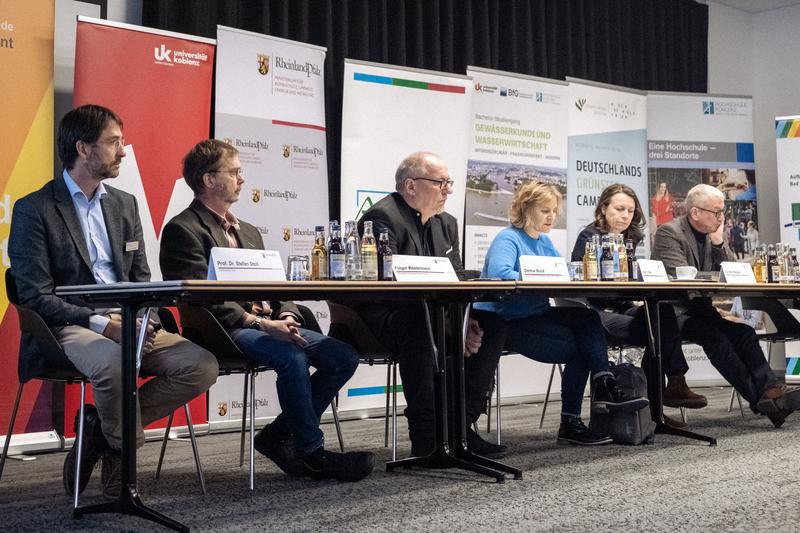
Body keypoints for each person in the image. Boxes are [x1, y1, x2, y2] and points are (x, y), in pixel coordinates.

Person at [8, 104, 219, 499]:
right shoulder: (34, 209)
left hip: (129, 319)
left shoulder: (123, 204)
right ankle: (123, 462)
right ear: (83, 148)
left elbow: (141, 279)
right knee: (114, 364)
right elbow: (35, 295)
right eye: (114, 142)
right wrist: (104, 325)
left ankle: (99, 433)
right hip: (71, 326)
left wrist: (147, 321)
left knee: (201, 365)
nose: (123, 151)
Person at [159, 139, 373, 482]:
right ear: (209, 179)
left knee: (343, 357)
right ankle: (313, 453)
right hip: (225, 329)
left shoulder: (250, 232)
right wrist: (259, 321)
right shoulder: (183, 229)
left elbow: (277, 285)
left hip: (269, 324)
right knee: (293, 357)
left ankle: (277, 436)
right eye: (234, 172)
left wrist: (286, 315)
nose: (241, 179)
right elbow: (199, 297)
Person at [356, 151, 507, 460]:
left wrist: (461, 321)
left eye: (448, 183)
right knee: (420, 327)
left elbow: (455, 278)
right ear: (411, 186)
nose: (448, 190)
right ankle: (426, 439)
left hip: (436, 313)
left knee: (495, 325)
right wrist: (450, 324)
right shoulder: (381, 218)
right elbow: (386, 284)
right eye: (441, 183)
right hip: (386, 314)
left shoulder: (447, 224)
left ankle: (460, 428)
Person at [476, 181, 648, 446]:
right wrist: (538, 278)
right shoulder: (507, 238)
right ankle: (571, 421)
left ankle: (602, 383)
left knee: (588, 318)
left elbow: (563, 274)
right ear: (525, 209)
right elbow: (501, 276)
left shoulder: (544, 241)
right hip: (506, 319)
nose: (551, 216)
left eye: (554, 211)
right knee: (584, 347)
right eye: (545, 210)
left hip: (537, 313)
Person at [652, 183, 800, 427]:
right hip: (673, 311)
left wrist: (720, 244)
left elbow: (734, 270)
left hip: (701, 309)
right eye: (717, 212)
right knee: (716, 338)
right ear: (695, 212)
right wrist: (712, 276)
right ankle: (764, 401)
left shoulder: (713, 236)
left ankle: (771, 389)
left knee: (743, 332)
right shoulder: (669, 233)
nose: (722, 218)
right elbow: (681, 277)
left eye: (722, 212)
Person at [571, 184, 707, 423]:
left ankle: (672, 384)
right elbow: (589, 289)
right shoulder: (588, 237)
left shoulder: (630, 238)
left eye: (630, 211)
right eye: (619, 208)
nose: (625, 215)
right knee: (656, 331)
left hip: (621, 306)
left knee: (661, 312)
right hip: (594, 311)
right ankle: (656, 406)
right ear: (603, 208)